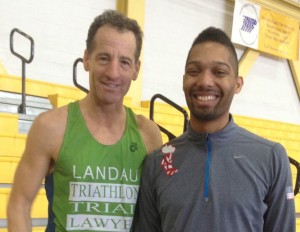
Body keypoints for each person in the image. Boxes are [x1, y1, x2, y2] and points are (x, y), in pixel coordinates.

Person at [7, 10, 163, 232]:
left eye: (124, 62)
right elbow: (19, 203)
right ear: (87, 59)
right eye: (103, 58)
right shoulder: (51, 127)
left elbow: (157, 211)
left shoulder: (148, 133)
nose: (113, 72)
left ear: (136, 69)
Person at [132, 27, 296, 232]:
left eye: (219, 72)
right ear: (183, 81)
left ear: (238, 84)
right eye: (194, 71)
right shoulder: (157, 163)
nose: (205, 81)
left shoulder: (271, 157)